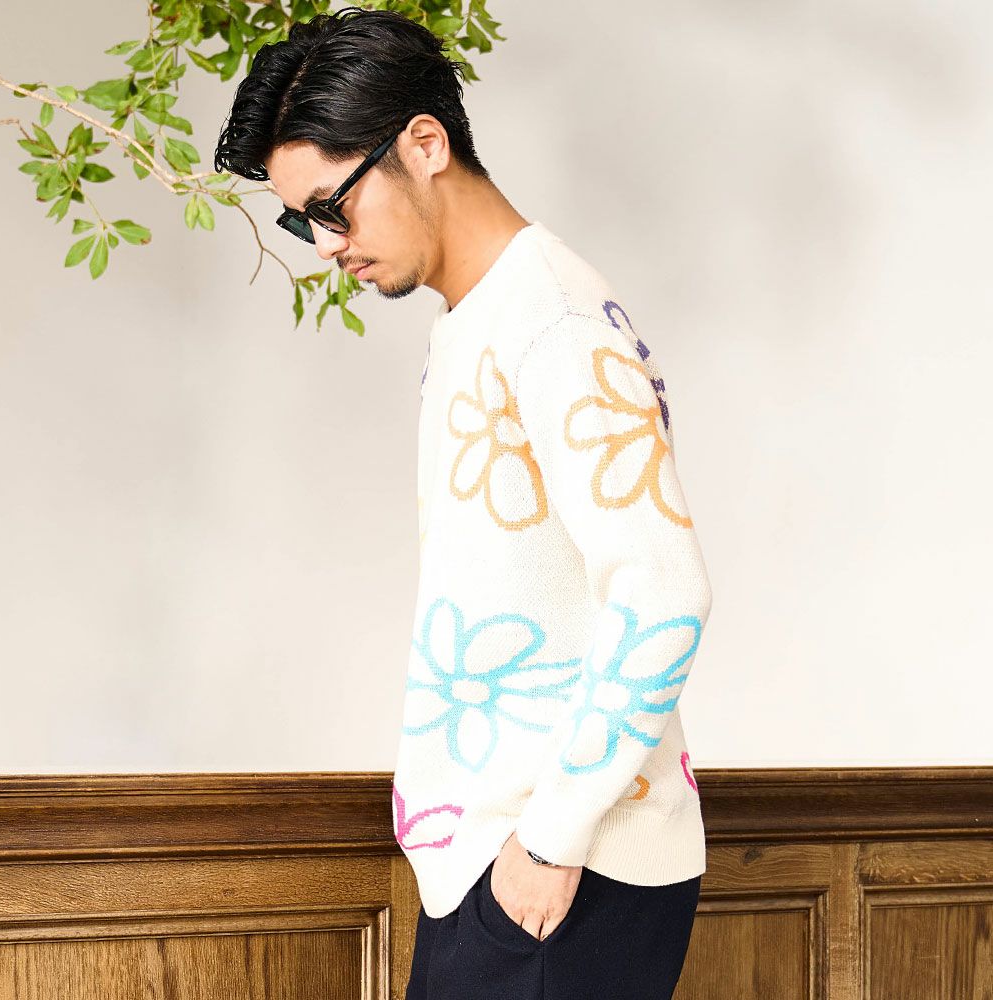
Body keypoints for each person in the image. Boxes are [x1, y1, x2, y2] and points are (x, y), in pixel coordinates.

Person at [214, 8, 713, 999]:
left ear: (424, 143)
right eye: (302, 221)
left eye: (332, 207)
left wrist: (549, 840)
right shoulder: (482, 319)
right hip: (510, 866)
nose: (326, 245)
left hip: (562, 873)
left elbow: (665, 590)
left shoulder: (553, 321)